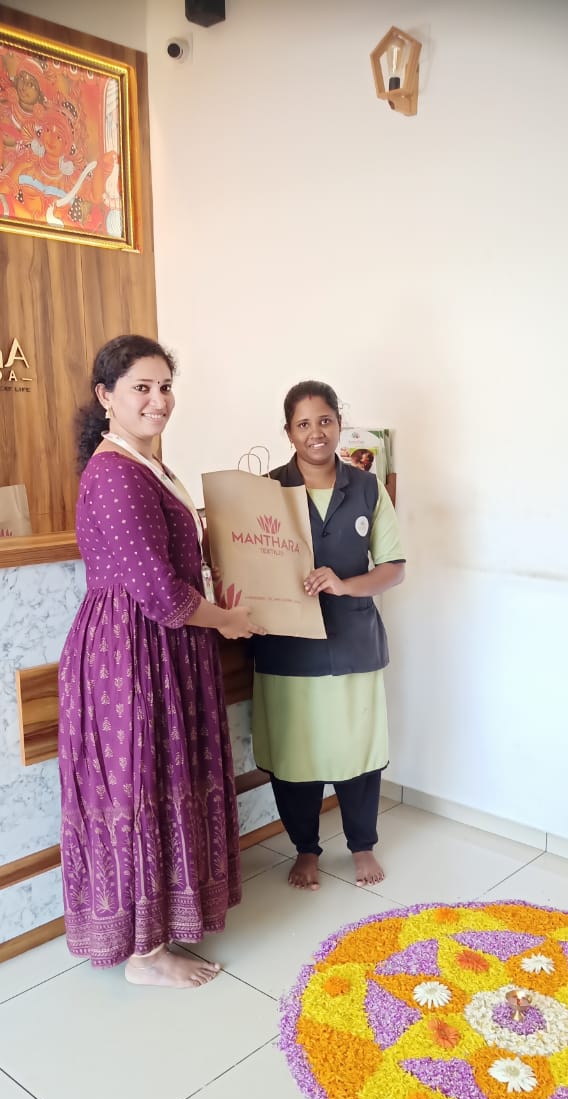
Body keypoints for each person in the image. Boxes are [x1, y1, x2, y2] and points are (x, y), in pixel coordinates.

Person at [58, 334, 264, 988]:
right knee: (140, 784)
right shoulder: (115, 472)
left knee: (164, 780)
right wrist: (227, 620)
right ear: (106, 396)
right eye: (141, 388)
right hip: (129, 652)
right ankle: (144, 957)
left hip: (158, 644)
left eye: (165, 387)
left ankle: (163, 930)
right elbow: (157, 590)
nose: (158, 400)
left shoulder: (145, 463)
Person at [251, 380, 405, 890]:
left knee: (357, 749)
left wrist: (344, 585)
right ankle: (305, 849)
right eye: (303, 424)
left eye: (324, 421)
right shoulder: (265, 491)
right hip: (287, 645)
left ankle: (362, 845)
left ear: (339, 423)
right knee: (295, 755)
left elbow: (393, 567)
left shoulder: (366, 487)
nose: (315, 432)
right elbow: (243, 561)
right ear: (288, 432)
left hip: (352, 641)